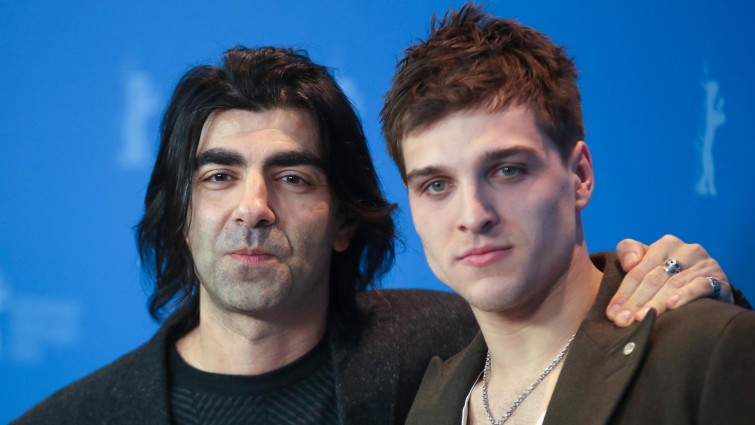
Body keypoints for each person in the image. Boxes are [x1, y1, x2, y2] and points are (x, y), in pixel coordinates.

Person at [13, 46, 745, 425]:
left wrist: (684, 284)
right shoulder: (70, 419)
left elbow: (576, 318)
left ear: (345, 219)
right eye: (218, 176)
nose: (254, 207)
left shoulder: (439, 343)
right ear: (180, 211)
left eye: (293, 176)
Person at [379, 4, 755, 424]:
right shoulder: (429, 405)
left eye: (507, 170)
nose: (473, 215)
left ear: (579, 175)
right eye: (437, 185)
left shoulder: (707, 349)